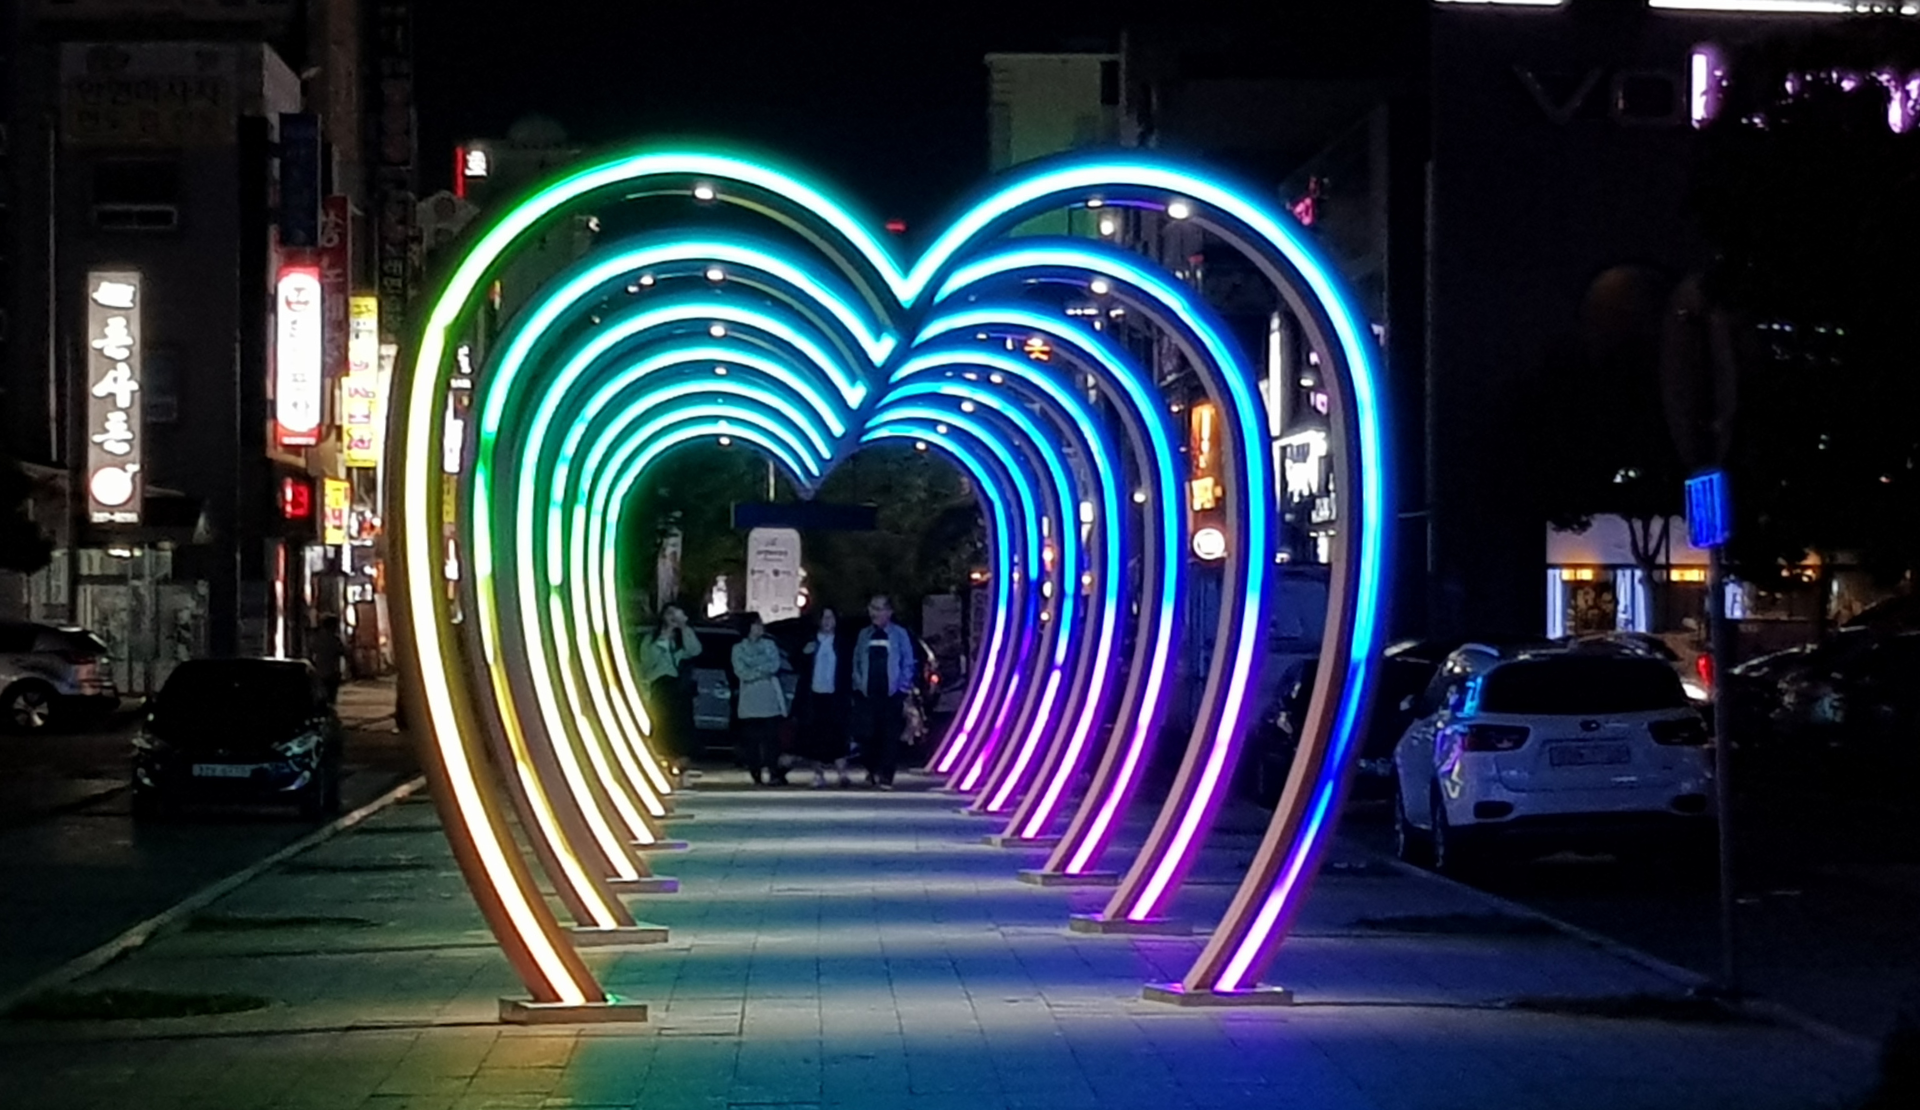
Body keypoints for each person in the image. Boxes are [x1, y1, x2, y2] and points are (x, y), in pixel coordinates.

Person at [850, 594, 917, 789]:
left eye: (879, 609)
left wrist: (903, 687)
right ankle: (872, 770)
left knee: (889, 736)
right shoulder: (865, 634)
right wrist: (858, 684)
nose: (875, 613)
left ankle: (886, 775)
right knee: (867, 735)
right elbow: (857, 661)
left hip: (891, 693)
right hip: (867, 693)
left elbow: (908, 661)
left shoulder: (899, 634)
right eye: (872, 608)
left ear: (889, 612)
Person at [793, 607, 854, 788]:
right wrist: (804, 654)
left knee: (838, 734)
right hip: (814, 695)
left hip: (836, 695)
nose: (827, 621)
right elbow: (796, 664)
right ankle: (818, 774)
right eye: (824, 618)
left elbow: (848, 668)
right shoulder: (810, 641)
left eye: (831, 617)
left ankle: (842, 773)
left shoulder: (843, 643)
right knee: (815, 736)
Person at [640, 605, 701, 779]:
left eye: (677, 613)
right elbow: (646, 664)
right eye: (669, 614)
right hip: (661, 687)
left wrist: (684, 628)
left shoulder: (681, 637)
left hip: (680, 688)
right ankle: (665, 761)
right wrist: (661, 643)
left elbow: (695, 650)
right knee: (663, 725)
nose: (673, 617)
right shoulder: (651, 639)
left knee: (682, 726)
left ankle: (681, 764)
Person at [731, 614, 789, 785]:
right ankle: (755, 771)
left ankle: (773, 770)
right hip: (750, 702)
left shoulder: (769, 644)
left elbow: (774, 665)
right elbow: (741, 672)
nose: (760, 627)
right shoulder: (738, 649)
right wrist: (760, 671)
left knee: (772, 739)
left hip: (770, 701)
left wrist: (755, 669)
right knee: (752, 740)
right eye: (756, 624)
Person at [309, 615, 347, 704]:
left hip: (320, 671)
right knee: (331, 695)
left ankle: (325, 711)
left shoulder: (317, 638)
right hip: (332, 672)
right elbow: (343, 652)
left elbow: (311, 651)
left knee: (321, 695)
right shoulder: (334, 639)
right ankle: (330, 711)